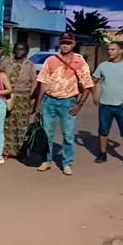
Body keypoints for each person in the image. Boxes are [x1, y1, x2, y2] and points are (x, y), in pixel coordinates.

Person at [35, 32, 94, 175]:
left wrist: (79, 104)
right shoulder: (50, 60)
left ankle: (67, 163)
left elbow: (87, 85)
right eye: (63, 42)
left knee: (68, 135)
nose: (65, 45)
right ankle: (46, 160)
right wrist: (38, 103)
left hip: (68, 102)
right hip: (49, 101)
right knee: (47, 133)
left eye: (68, 43)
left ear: (73, 44)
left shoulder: (79, 62)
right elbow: (43, 83)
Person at [0, 42, 37, 158]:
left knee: (22, 125)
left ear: (26, 51)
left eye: (22, 49)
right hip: (8, 96)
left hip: (24, 98)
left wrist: (32, 100)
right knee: (7, 124)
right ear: (14, 50)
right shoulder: (6, 63)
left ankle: (21, 151)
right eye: (17, 49)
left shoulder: (30, 65)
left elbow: (34, 82)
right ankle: (7, 151)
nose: (19, 51)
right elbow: (0, 76)